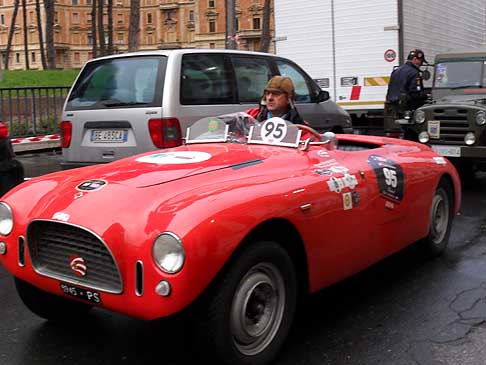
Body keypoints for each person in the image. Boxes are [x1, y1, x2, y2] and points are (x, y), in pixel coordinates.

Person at [384, 49, 429, 140]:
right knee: (411, 136)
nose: (420, 64)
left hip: (393, 109)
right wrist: (425, 96)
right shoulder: (414, 73)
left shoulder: (396, 71)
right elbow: (415, 93)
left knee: (395, 136)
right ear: (415, 59)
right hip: (408, 110)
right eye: (420, 61)